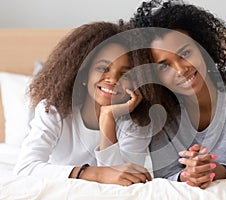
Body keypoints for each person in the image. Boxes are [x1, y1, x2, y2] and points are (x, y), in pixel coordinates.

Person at [129, 0, 226, 189]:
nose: (181, 69)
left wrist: (215, 170)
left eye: (185, 52)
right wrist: (188, 175)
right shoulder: (158, 109)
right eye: (164, 65)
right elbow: (165, 177)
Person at [13, 21, 152, 186]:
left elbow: (126, 182)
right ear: (84, 74)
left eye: (126, 74)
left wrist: (108, 118)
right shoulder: (53, 110)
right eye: (102, 68)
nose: (113, 80)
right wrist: (95, 174)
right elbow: (25, 168)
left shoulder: (138, 122)